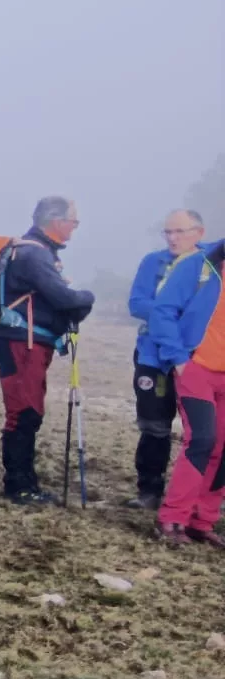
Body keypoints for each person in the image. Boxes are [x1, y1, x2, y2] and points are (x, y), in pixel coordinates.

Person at [0, 196, 95, 505]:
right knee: (24, 412)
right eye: (73, 222)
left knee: (27, 411)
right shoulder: (34, 255)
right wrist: (86, 296)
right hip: (22, 342)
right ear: (56, 222)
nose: (75, 229)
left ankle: (24, 481)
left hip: (25, 340)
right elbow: (64, 299)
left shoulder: (32, 251)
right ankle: (19, 486)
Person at [128, 209, 208, 511]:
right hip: (153, 355)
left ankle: (200, 497)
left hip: (198, 358)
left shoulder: (211, 264)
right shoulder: (154, 262)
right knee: (154, 425)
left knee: (203, 431)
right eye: (168, 232)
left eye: (180, 232)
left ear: (199, 233)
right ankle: (149, 491)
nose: (173, 238)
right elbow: (137, 303)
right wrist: (170, 313)